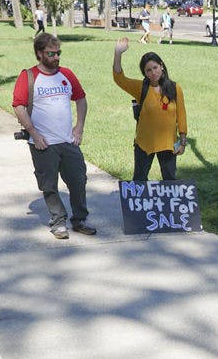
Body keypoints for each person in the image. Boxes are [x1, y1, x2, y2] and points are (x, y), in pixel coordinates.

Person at [12, 33, 96, 239]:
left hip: (68, 141)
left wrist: (79, 127)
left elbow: (81, 99)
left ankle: (80, 219)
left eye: (58, 53)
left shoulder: (66, 74)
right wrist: (33, 132)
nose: (56, 57)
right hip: (43, 143)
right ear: (39, 54)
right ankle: (58, 222)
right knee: (49, 185)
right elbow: (19, 106)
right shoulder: (29, 76)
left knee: (78, 181)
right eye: (51, 53)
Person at [112, 38, 187, 181]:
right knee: (139, 180)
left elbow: (181, 115)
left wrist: (182, 142)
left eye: (155, 67)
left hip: (168, 143)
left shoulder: (175, 88)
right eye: (148, 70)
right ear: (145, 73)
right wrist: (118, 53)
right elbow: (119, 79)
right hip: (144, 143)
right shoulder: (141, 88)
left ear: (162, 66)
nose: (153, 72)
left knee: (170, 182)